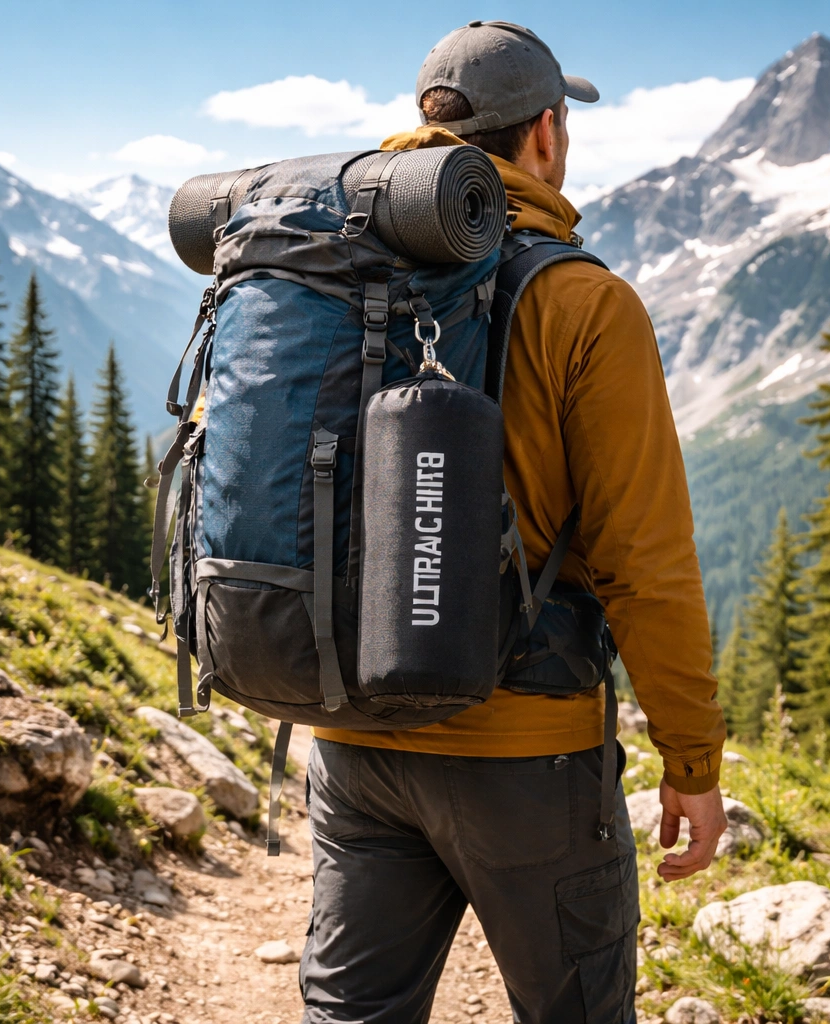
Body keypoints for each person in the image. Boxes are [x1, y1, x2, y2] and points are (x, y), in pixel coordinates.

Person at [301, 21, 728, 1024]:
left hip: (352, 738)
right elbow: (645, 563)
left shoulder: (330, 270)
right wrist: (693, 763)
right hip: (524, 750)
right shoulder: (583, 301)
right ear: (545, 132)